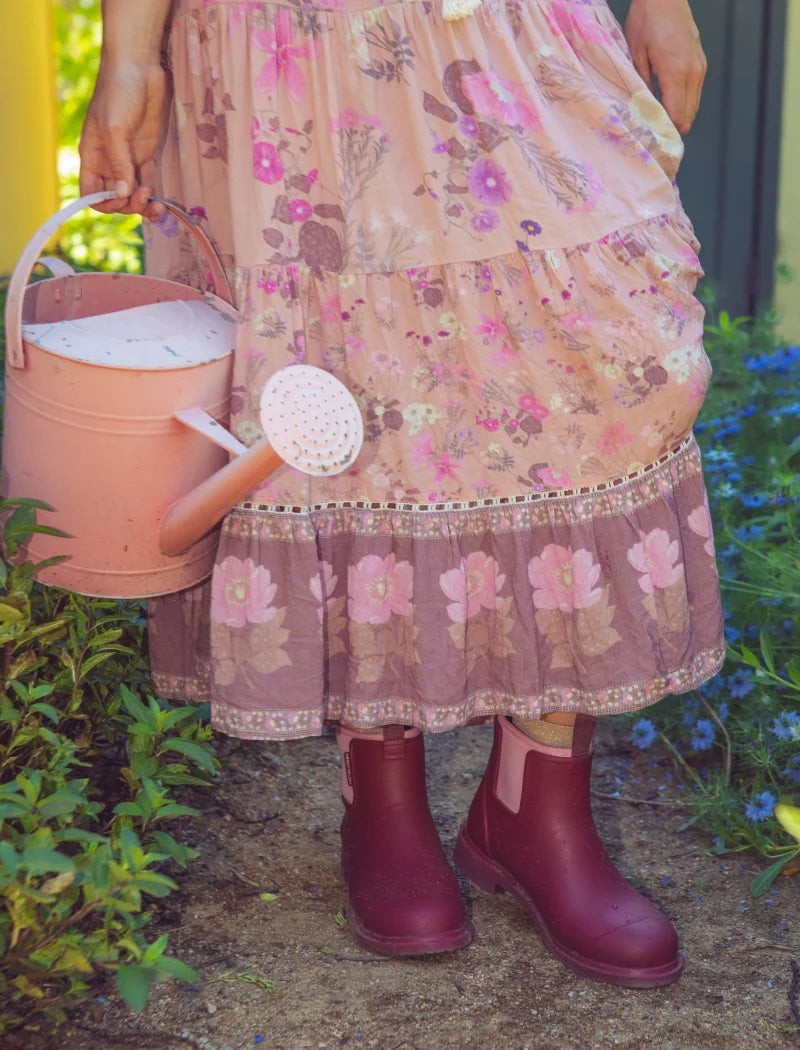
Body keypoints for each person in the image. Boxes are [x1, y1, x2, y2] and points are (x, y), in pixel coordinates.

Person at [80, 0, 723, 987]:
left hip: (509, 25)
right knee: (337, 394)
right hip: (281, 47)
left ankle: (530, 806)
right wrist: (127, 53)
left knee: (616, 369)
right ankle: (378, 788)